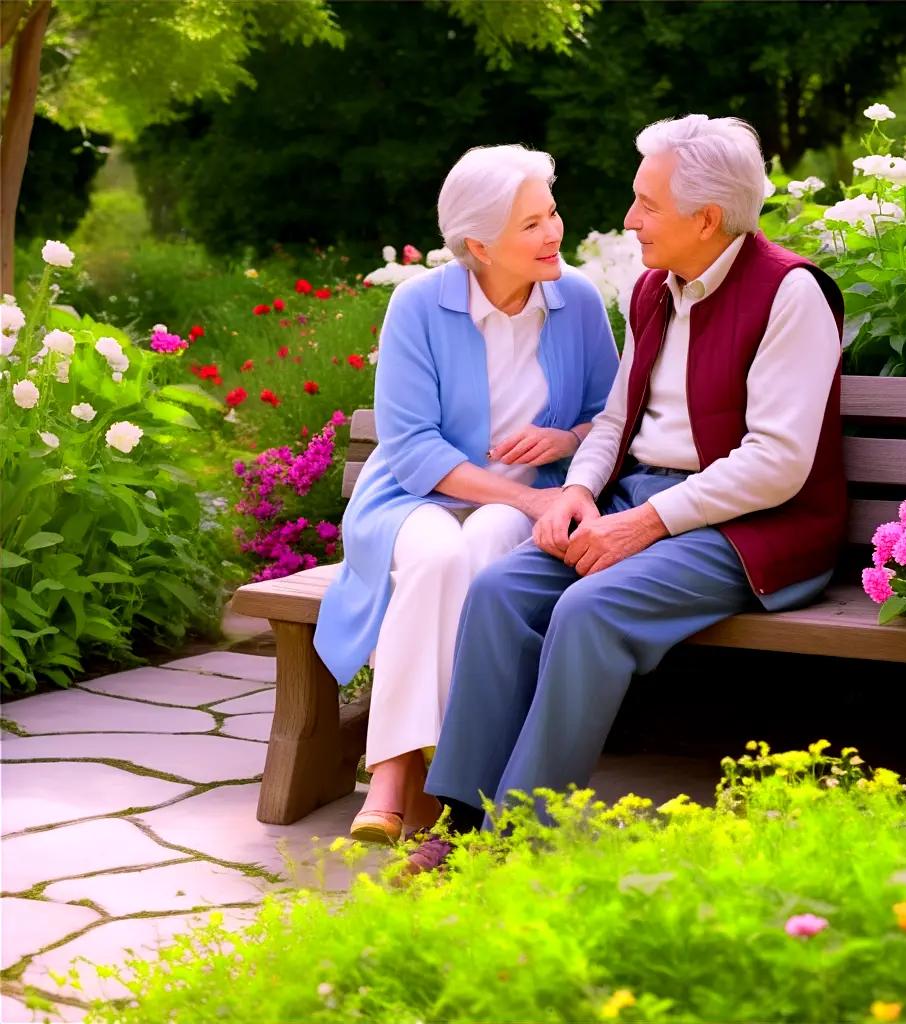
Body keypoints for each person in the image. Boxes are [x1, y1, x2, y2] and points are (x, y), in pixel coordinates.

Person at [411, 114, 846, 873]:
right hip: (645, 502)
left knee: (589, 609)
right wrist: (580, 492)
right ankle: (462, 819)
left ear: (706, 218)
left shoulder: (790, 293)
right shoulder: (654, 290)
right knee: (502, 589)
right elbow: (615, 418)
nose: (629, 218)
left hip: (755, 528)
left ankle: (523, 844)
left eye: (646, 203)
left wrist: (644, 522)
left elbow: (777, 463)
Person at [313, 145, 619, 844]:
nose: (553, 235)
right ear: (478, 244)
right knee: (437, 558)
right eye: (531, 225)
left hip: (526, 501)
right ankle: (402, 776)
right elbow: (412, 448)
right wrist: (524, 502)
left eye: (552, 215)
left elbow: (609, 414)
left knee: (481, 552)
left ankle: (420, 784)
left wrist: (564, 445)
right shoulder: (419, 304)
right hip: (411, 498)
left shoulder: (576, 302)